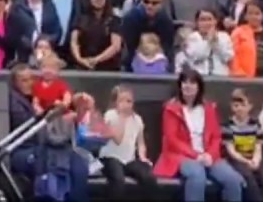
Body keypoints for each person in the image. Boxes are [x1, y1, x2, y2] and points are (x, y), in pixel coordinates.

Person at [152, 69, 245, 202]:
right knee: (197, 174)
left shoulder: (209, 108)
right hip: (180, 156)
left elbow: (216, 137)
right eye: (184, 82)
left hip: (208, 155)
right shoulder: (171, 109)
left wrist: (210, 155)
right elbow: (172, 140)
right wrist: (196, 155)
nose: (188, 86)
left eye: (192, 83)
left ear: (199, 87)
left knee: (233, 179)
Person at [97, 85, 157, 199]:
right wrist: (122, 117)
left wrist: (143, 157)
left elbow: (140, 142)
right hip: (110, 157)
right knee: (118, 179)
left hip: (129, 159)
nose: (126, 105)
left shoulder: (137, 119)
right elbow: (118, 139)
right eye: (122, 101)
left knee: (149, 178)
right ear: (115, 103)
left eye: (129, 101)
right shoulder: (110, 115)